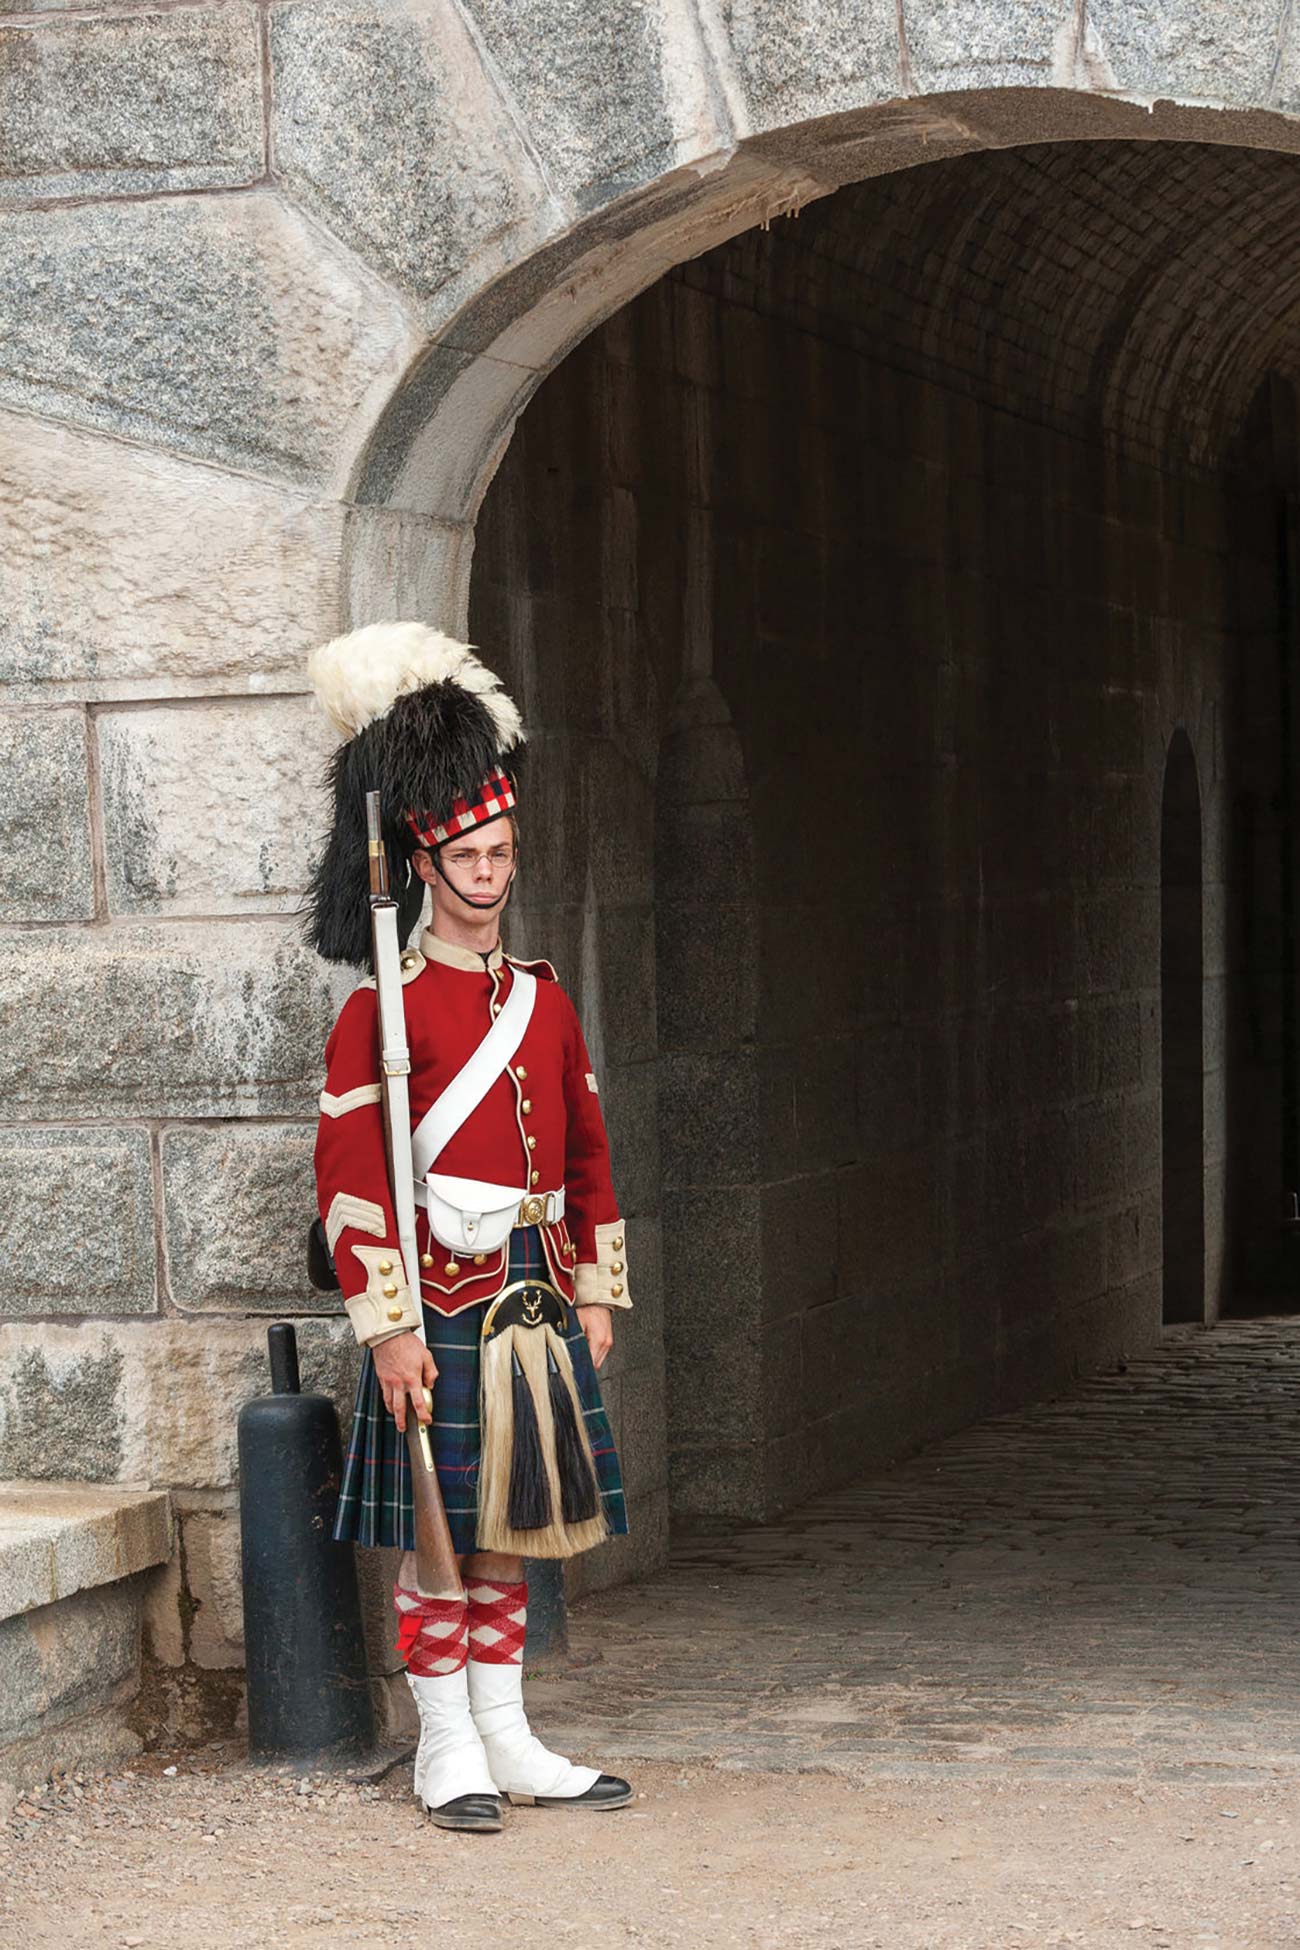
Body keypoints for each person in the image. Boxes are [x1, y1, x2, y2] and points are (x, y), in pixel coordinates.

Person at [306, 622, 633, 1833]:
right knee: (437, 1545)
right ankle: (446, 1742)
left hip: (533, 1296)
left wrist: (596, 1290)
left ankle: (508, 1729)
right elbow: (352, 1182)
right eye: (468, 856)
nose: (490, 874)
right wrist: (387, 1328)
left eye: (501, 852)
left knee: (510, 1533)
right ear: (425, 865)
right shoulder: (378, 1013)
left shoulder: (542, 999)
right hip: (433, 1303)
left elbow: (588, 1154)